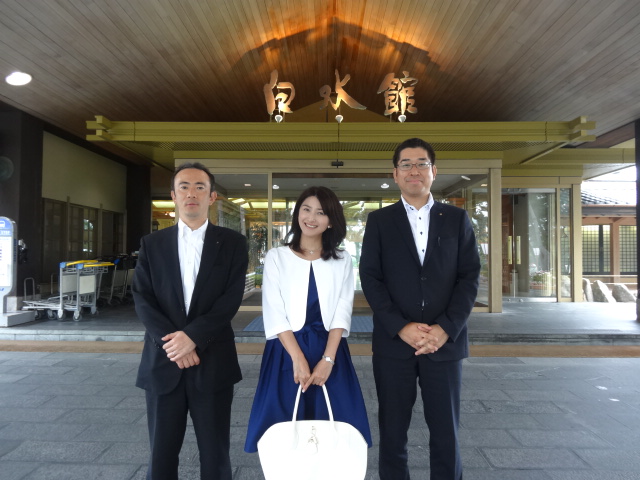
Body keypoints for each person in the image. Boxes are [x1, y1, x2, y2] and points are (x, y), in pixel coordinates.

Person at [359, 138, 480, 480]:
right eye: (407, 164)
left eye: (422, 163)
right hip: (394, 345)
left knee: (446, 431)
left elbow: (469, 276)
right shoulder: (380, 221)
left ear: (434, 171)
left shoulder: (456, 218)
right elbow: (371, 277)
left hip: (444, 343)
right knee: (392, 430)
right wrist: (401, 326)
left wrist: (446, 328)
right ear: (395, 174)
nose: (415, 170)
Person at [133, 162, 248, 480]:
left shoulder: (232, 243)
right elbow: (143, 298)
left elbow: (230, 300)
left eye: (200, 187)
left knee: (215, 455)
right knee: (161, 455)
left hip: (213, 362)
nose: (191, 193)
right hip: (163, 361)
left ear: (212, 197)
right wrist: (175, 344)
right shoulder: (152, 244)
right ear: (173, 195)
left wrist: (192, 337)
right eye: (184, 187)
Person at [244, 186, 372, 453]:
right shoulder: (277, 257)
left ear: (331, 221)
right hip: (286, 352)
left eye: (321, 212)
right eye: (306, 209)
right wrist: (298, 359)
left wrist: (328, 360)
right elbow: (274, 311)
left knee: (336, 427)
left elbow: (342, 311)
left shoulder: (342, 259)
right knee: (283, 427)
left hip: (330, 350)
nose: (311, 217)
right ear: (297, 214)